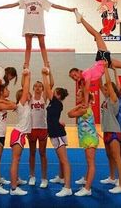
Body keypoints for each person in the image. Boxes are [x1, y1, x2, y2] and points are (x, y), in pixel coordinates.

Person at [69, 13, 121, 107]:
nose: (75, 78)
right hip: (104, 63)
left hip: (102, 59)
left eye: (75, 75)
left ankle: (81, 19)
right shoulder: (84, 79)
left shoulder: (86, 74)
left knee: (97, 34)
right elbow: (85, 89)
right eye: (73, 77)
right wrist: (85, 101)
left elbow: (87, 90)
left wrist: (85, 104)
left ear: (79, 71)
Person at [0, 0, 76, 69]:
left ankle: (46, 63)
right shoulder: (25, 0)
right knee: (28, 46)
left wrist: (69, 9)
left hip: (39, 25)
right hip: (29, 25)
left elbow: (55, 5)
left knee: (42, 44)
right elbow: (12, 5)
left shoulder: (41, 0)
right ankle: (26, 64)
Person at [42, 67, 72, 197]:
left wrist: (45, 74)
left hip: (58, 134)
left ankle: (67, 187)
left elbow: (47, 87)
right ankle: (61, 177)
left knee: (64, 160)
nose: (52, 93)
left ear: (58, 95)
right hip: (55, 132)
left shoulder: (56, 102)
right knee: (61, 159)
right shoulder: (54, 103)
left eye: (55, 92)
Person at [99, 62, 121, 194]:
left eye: (106, 88)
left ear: (110, 90)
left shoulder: (114, 99)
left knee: (117, 158)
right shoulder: (106, 99)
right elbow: (100, 85)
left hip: (114, 131)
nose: (104, 90)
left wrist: (105, 69)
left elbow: (109, 84)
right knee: (109, 156)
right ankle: (112, 177)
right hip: (106, 131)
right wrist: (97, 71)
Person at [68, 91, 99, 196]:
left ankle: (87, 189)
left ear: (84, 98)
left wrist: (78, 106)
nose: (76, 96)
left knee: (91, 163)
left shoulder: (84, 110)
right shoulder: (84, 108)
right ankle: (86, 179)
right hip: (86, 138)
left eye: (78, 95)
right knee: (89, 162)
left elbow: (70, 114)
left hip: (90, 138)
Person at [27, 73, 54, 188]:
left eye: (40, 86)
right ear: (33, 88)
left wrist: (48, 72)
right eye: (36, 86)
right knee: (32, 153)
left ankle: (44, 178)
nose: (38, 88)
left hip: (43, 128)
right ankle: (32, 176)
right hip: (32, 128)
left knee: (42, 153)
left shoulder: (45, 98)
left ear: (43, 88)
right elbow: (24, 86)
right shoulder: (29, 98)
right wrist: (26, 73)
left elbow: (51, 84)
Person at [0, 84, 17, 195]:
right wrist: (6, 101)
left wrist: (5, 100)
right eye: (6, 89)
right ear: (1, 91)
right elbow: (13, 106)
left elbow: (12, 103)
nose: (9, 91)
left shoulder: (1, 101)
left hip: (0, 134)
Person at [10, 69, 31, 196]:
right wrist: (27, 74)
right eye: (26, 94)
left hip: (20, 134)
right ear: (22, 97)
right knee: (15, 160)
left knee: (16, 160)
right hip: (18, 134)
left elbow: (26, 88)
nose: (29, 94)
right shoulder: (21, 105)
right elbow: (26, 87)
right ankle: (13, 189)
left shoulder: (26, 105)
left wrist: (28, 76)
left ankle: (16, 180)